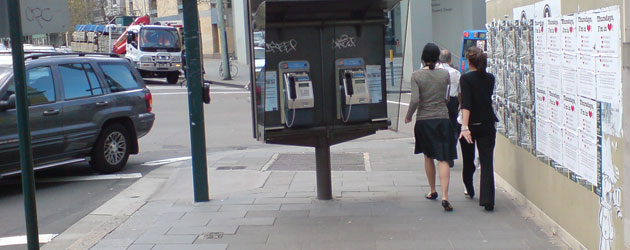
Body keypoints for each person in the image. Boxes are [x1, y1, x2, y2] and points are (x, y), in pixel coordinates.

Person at [405, 43, 457, 212]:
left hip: (424, 120)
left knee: (428, 156)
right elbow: (447, 96)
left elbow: (414, 100)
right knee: (443, 158)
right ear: (437, 58)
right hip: (442, 118)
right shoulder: (444, 75)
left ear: (422, 57)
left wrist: (409, 116)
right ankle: (445, 196)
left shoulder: (416, 76)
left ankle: (432, 190)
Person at [458, 46, 499, 211]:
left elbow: (466, 104)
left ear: (469, 61)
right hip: (487, 123)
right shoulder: (490, 78)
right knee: (487, 161)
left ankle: (469, 187)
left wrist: (465, 127)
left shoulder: (466, 79)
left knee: (468, 160)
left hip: (471, 124)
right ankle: (488, 199)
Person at [438, 50, 462, 168]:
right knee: (453, 128)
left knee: (440, 127)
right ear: (450, 60)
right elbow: (460, 91)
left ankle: (442, 152)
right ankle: (451, 153)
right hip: (452, 101)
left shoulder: (436, 71)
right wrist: (460, 104)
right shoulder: (456, 73)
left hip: (439, 102)